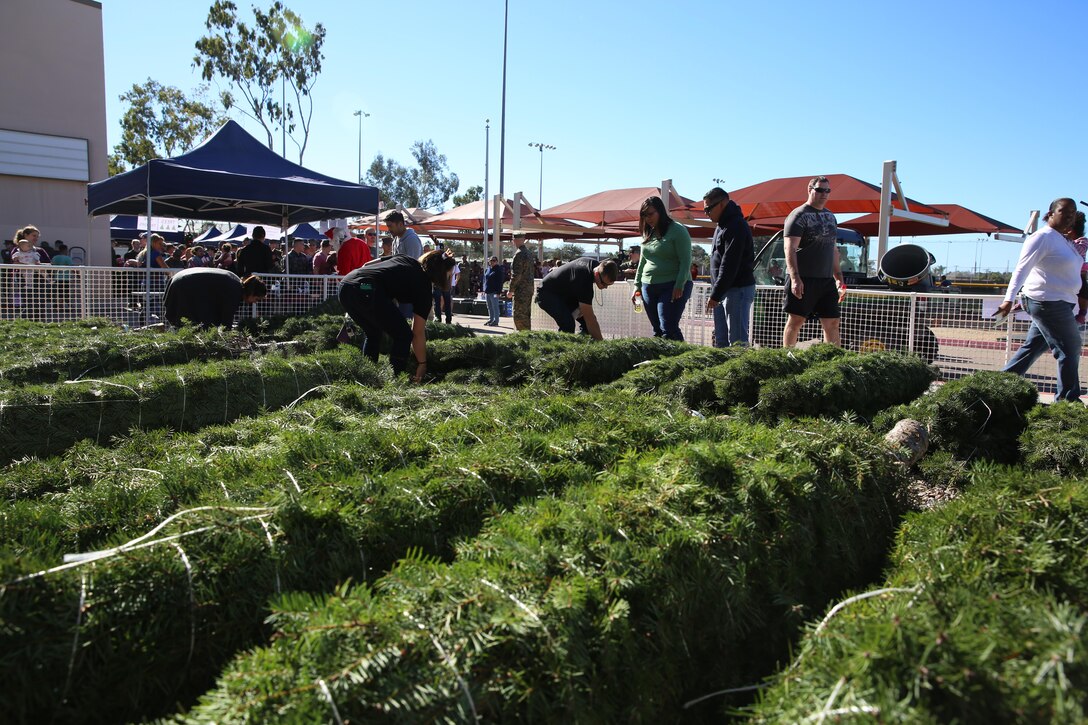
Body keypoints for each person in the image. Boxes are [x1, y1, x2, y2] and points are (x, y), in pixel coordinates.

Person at [995, 198, 1081, 401]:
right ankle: (1068, 401)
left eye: (1073, 212)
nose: (1069, 216)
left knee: (1032, 348)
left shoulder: (1063, 239)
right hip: (1047, 302)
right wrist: (1009, 299)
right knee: (1070, 347)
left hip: (1061, 302)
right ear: (1050, 214)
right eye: (1064, 211)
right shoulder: (1042, 237)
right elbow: (1021, 269)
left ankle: (999, 385)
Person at [338, 249, 458, 382]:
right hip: (367, 290)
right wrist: (422, 364)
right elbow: (417, 333)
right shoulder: (423, 288)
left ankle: (366, 376)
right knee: (403, 335)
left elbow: (367, 265)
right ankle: (395, 380)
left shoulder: (405, 258)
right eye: (450, 274)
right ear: (441, 273)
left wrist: (364, 289)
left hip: (347, 284)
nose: (451, 276)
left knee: (373, 333)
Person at [782, 176, 844, 347]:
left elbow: (833, 249)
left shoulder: (830, 217)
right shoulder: (798, 215)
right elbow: (789, 248)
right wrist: (795, 278)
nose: (824, 194)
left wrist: (838, 276)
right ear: (810, 190)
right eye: (820, 190)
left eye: (827, 190)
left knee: (832, 323)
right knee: (796, 321)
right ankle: (788, 357)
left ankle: (832, 361)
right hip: (804, 279)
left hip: (825, 280)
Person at [632, 196, 693, 341]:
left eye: (651, 214)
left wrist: (679, 285)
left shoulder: (678, 230)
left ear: (660, 211)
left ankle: (681, 361)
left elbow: (686, 261)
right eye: (644, 215)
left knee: (669, 328)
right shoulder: (648, 233)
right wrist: (636, 286)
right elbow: (642, 262)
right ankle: (660, 363)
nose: (648, 218)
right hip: (648, 287)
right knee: (658, 330)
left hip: (672, 286)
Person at [703, 186, 756, 347]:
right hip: (722, 292)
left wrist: (716, 294)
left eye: (708, 209)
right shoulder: (721, 225)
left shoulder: (736, 225)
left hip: (736, 290)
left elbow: (730, 263)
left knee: (737, 343)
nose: (707, 214)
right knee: (721, 342)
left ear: (722, 203)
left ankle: (741, 372)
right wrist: (716, 293)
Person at [536, 257, 619, 339]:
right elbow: (590, 320)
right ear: (597, 274)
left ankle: (583, 345)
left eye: (609, 285)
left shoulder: (595, 265)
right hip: (546, 293)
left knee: (587, 325)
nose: (605, 287)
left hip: (564, 293)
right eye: (604, 284)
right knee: (568, 324)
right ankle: (561, 348)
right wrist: (602, 345)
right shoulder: (584, 281)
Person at [163, 267, 267, 330]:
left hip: (180, 279)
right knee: (187, 324)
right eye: (256, 299)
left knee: (192, 322)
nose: (254, 303)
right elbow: (226, 323)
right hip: (184, 285)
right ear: (252, 292)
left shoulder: (235, 282)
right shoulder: (234, 291)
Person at [510, 236, 535, 330]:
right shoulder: (528, 253)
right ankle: (526, 335)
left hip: (521, 290)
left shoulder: (519, 254)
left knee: (519, 315)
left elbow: (516, 274)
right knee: (526, 314)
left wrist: (511, 290)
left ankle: (523, 339)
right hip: (528, 289)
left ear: (515, 241)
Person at [482, 256, 504, 326]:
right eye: (491, 260)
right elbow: (485, 280)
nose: (492, 262)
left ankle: (496, 321)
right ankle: (491, 319)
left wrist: (498, 292)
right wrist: (484, 289)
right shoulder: (488, 269)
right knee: (489, 306)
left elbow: (500, 282)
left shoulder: (498, 270)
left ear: (496, 262)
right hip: (487, 291)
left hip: (494, 291)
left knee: (495, 306)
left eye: (494, 261)